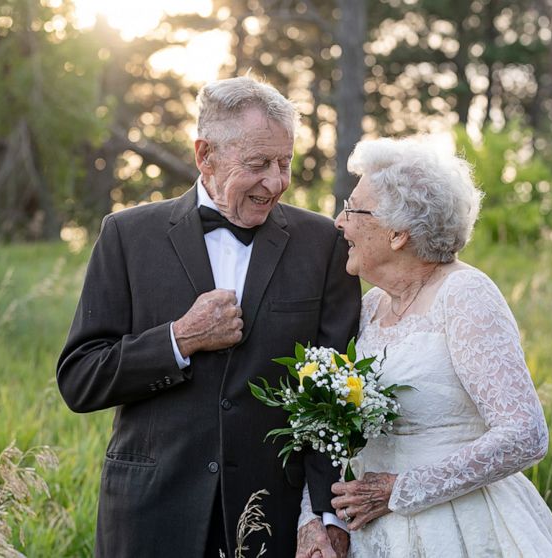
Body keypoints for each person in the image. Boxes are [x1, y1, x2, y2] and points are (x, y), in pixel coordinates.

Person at [57, 75, 361, 557]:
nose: (276, 181)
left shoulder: (323, 245)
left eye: (285, 162)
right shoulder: (127, 236)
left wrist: (322, 513)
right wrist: (179, 339)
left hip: (275, 519)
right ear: (205, 156)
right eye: (258, 164)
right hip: (151, 514)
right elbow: (79, 378)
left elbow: (337, 399)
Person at [297, 137, 552, 557]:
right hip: (371, 533)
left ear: (397, 233)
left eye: (353, 209)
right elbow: (332, 431)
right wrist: (314, 518)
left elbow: (525, 434)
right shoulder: (370, 307)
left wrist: (403, 489)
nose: (340, 222)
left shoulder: (465, 294)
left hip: (458, 526)